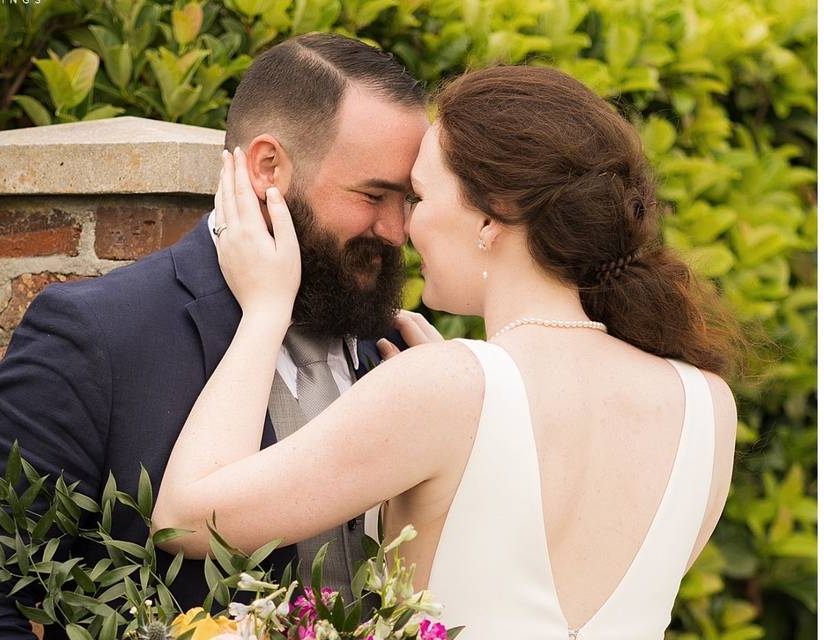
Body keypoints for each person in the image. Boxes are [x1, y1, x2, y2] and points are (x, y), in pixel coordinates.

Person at [151, 65, 741, 638]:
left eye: (420, 196)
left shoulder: (446, 388)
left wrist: (265, 310)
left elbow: (184, 521)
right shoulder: (708, 404)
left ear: (490, 218)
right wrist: (466, 395)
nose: (403, 228)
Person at [0, 33, 428, 638]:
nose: (396, 229)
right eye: (374, 195)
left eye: (408, 199)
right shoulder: (98, 333)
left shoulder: (393, 347)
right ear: (267, 167)